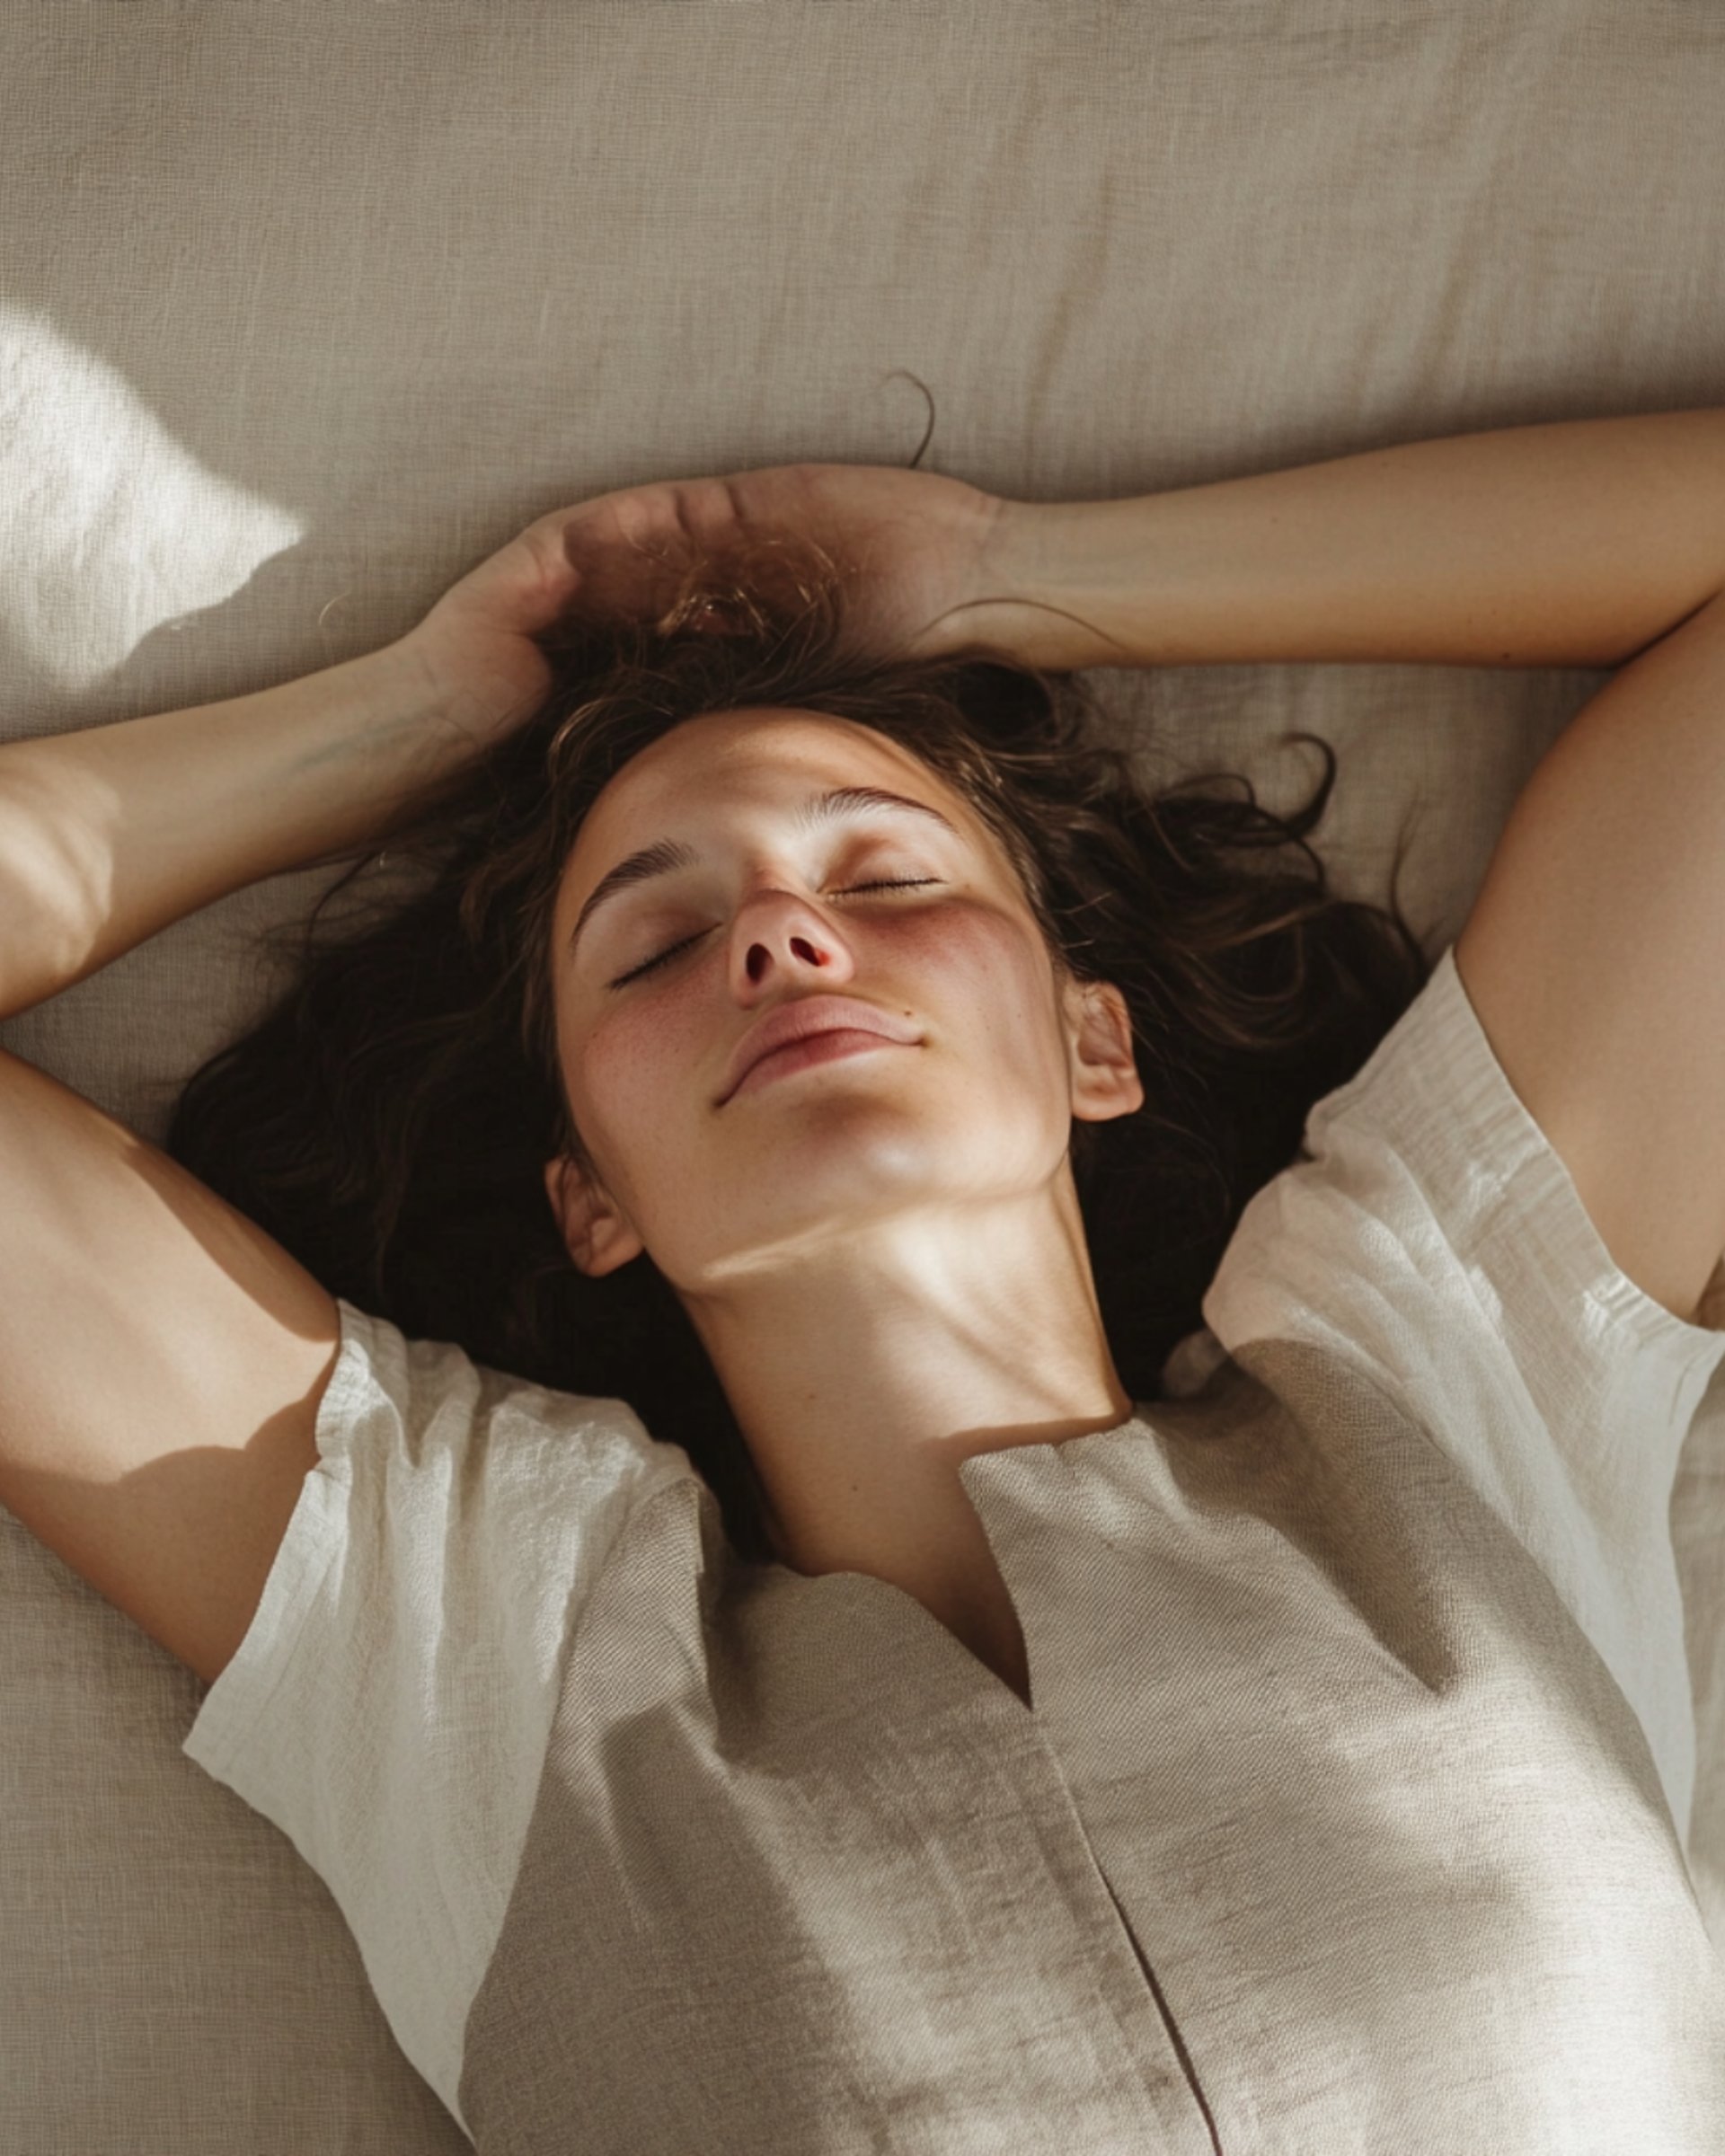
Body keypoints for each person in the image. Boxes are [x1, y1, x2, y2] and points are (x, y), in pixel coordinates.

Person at [4, 414, 1725, 2150]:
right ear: (590, 1195)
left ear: (1093, 1041)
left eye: (890, 876)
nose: (781, 937)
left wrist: (1007, 573)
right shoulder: (485, 1662)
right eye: (657, 947)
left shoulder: (1438, 1378)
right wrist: (414, 722)